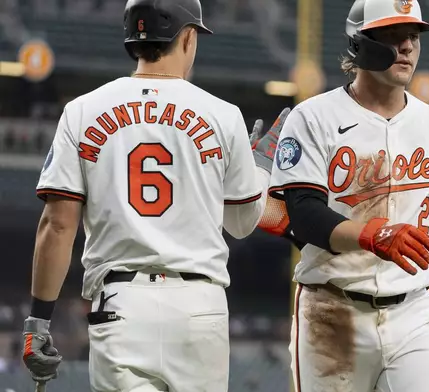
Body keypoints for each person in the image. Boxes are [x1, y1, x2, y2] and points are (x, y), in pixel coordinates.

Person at [20, 0, 288, 391]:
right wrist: (258, 167)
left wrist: (38, 322)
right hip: (199, 307)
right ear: (188, 37)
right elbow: (243, 223)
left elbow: (57, 226)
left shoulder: (81, 111)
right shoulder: (222, 115)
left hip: (120, 306)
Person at [265, 0, 429, 390]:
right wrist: (370, 235)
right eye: (394, 35)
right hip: (333, 308)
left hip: (414, 311)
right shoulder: (313, 117)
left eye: (413, 36)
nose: (408, 46)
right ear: (360, 44)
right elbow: (304, 214)